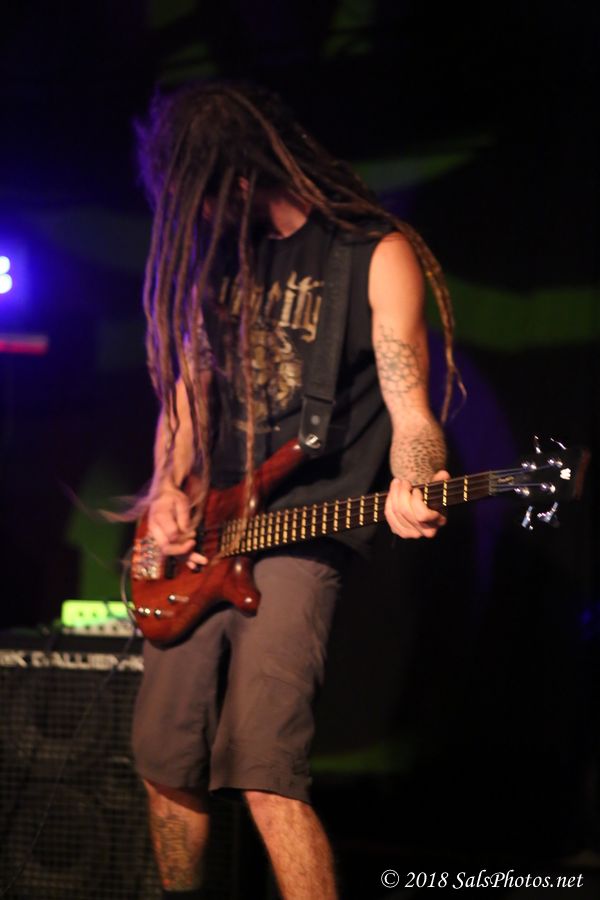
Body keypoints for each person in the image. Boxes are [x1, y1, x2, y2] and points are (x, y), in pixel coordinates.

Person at [129, 81, 462, 900]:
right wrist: (167, 487)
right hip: (207, 531)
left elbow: (411, 409)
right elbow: (187, 398)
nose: (195, 217)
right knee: (165, 759)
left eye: (200, 195)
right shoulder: (215, 259)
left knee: (265, 767)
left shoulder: (372, 252)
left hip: (302, 529)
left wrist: (417, 476)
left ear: (239, 177)